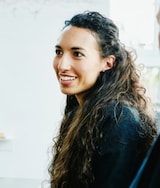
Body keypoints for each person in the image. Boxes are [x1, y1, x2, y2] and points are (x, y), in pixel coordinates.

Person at [49, 11, 157, 187]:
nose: (62, 65)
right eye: (59, 52)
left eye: (77, 54)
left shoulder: (119, 118)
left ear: (107, 62)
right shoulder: (80, 110)